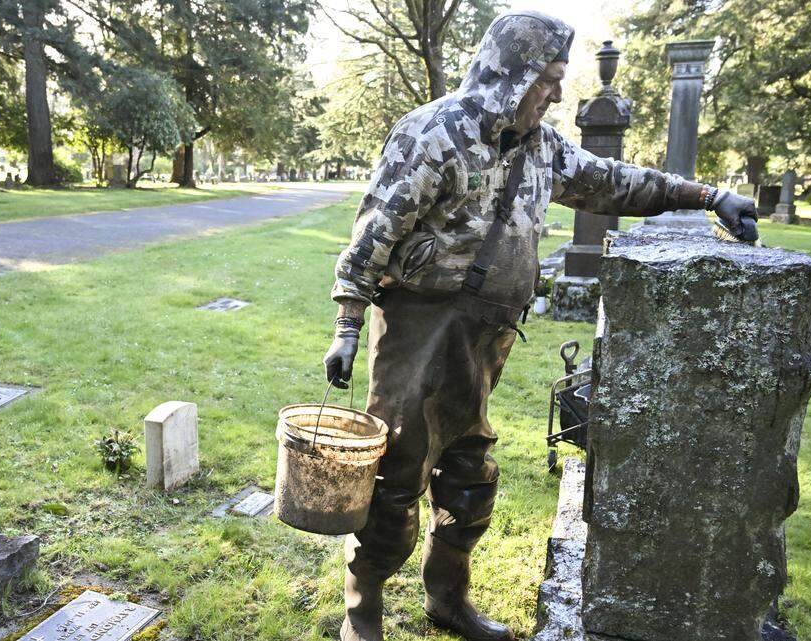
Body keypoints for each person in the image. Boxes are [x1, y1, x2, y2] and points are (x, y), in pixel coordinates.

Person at [323, 11, 758, 641]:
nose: (557, 93)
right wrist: (347, 322)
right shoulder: (434, 133)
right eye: (548, 79)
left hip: (485, 337)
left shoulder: (542, 147)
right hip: (419, 331)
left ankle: (446, 601)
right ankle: (361, 615)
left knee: (469, 476)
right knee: (396, 477)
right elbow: (375, 232)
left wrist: (710, 196)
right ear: (512, 74)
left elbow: (615, 183)